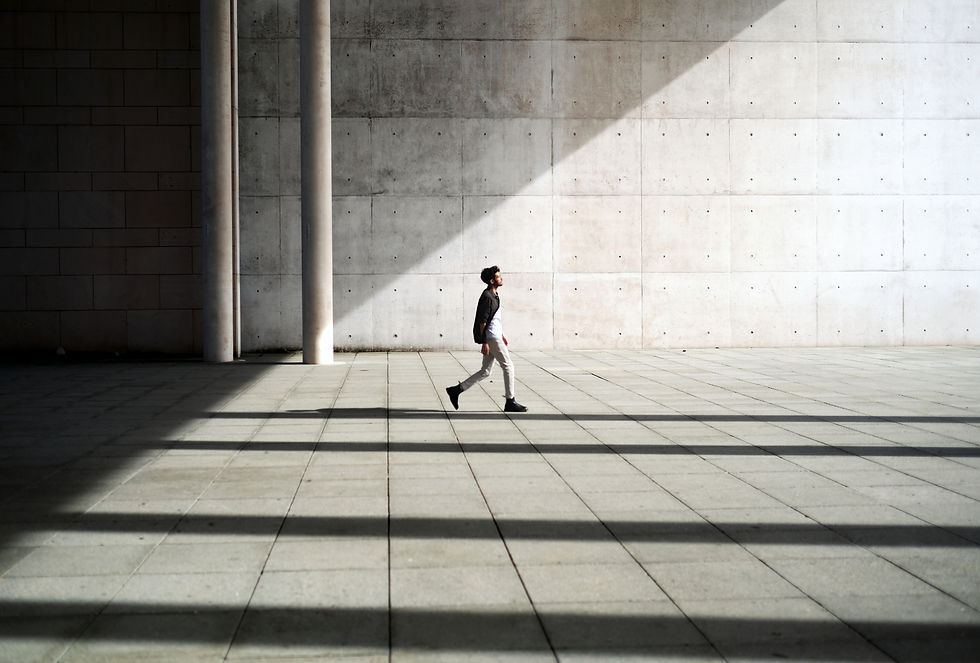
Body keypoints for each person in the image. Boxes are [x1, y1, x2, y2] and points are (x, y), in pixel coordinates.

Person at [446, 266, 528, 413]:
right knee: (508, 366)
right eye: (498, 276)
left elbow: (494, 319)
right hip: (491, 337)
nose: (501, 278)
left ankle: (456, 390)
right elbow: (482, 322)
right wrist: (484, 343)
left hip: (495, 336)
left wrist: (502, 334)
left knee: (485, 371)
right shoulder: (487, 297)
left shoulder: (494, 295)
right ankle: (510, 401)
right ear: (491, 281)